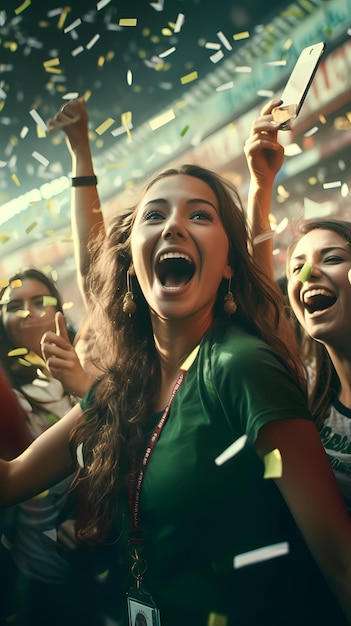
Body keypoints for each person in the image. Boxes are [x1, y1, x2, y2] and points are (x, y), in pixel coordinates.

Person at [1, 163, 351, 626]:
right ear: (131, 261)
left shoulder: (243, 368)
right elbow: (11, 480)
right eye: (154, 215)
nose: (174, 226)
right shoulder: (120, 386)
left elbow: (341, 563)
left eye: (200, 215)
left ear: (228, 262)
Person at [244, 100, 351, 512]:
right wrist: (260, 185)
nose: (308, 275)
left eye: (333, 258)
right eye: (297, 267)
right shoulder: (305, 389)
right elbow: (258, 295)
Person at [0, 267, 102, 626]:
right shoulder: (5, 395)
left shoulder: (94, 364)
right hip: (44, 569)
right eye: (14, 305)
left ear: (60, 307)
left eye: (39, 301)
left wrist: (83, 383)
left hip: (111, 549)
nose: (28, 311)